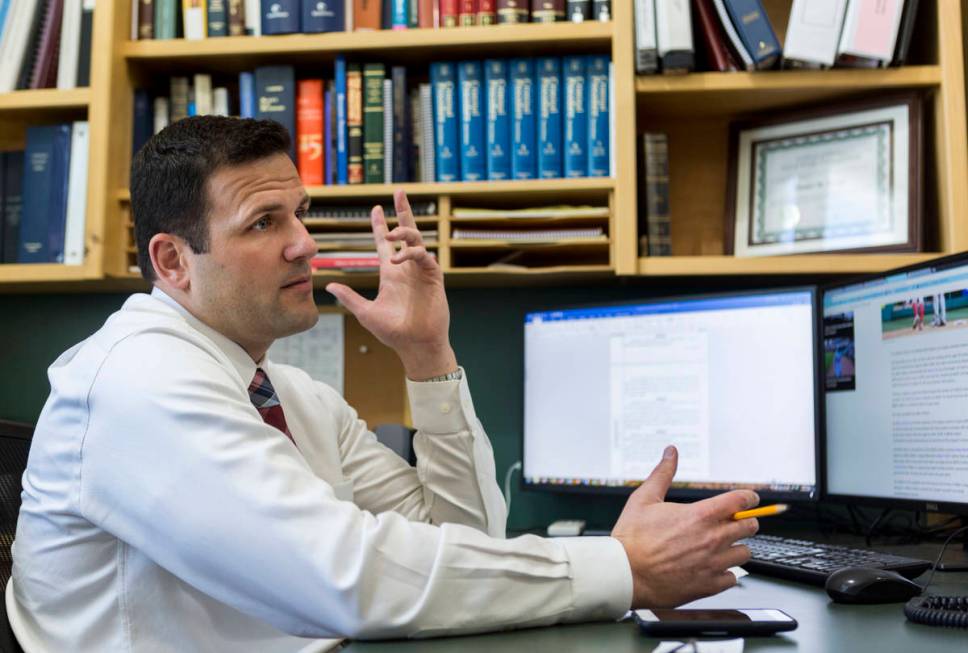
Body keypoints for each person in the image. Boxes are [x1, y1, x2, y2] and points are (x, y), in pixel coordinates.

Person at [10, 116, 758, 652]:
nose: (305, 242)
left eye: (299, 213)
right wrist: (622, 567)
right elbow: (346, 575)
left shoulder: (290, 394)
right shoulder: (137, 380)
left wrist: (427, 354)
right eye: (264, 221)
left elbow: (464, 542)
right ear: (173, 261)